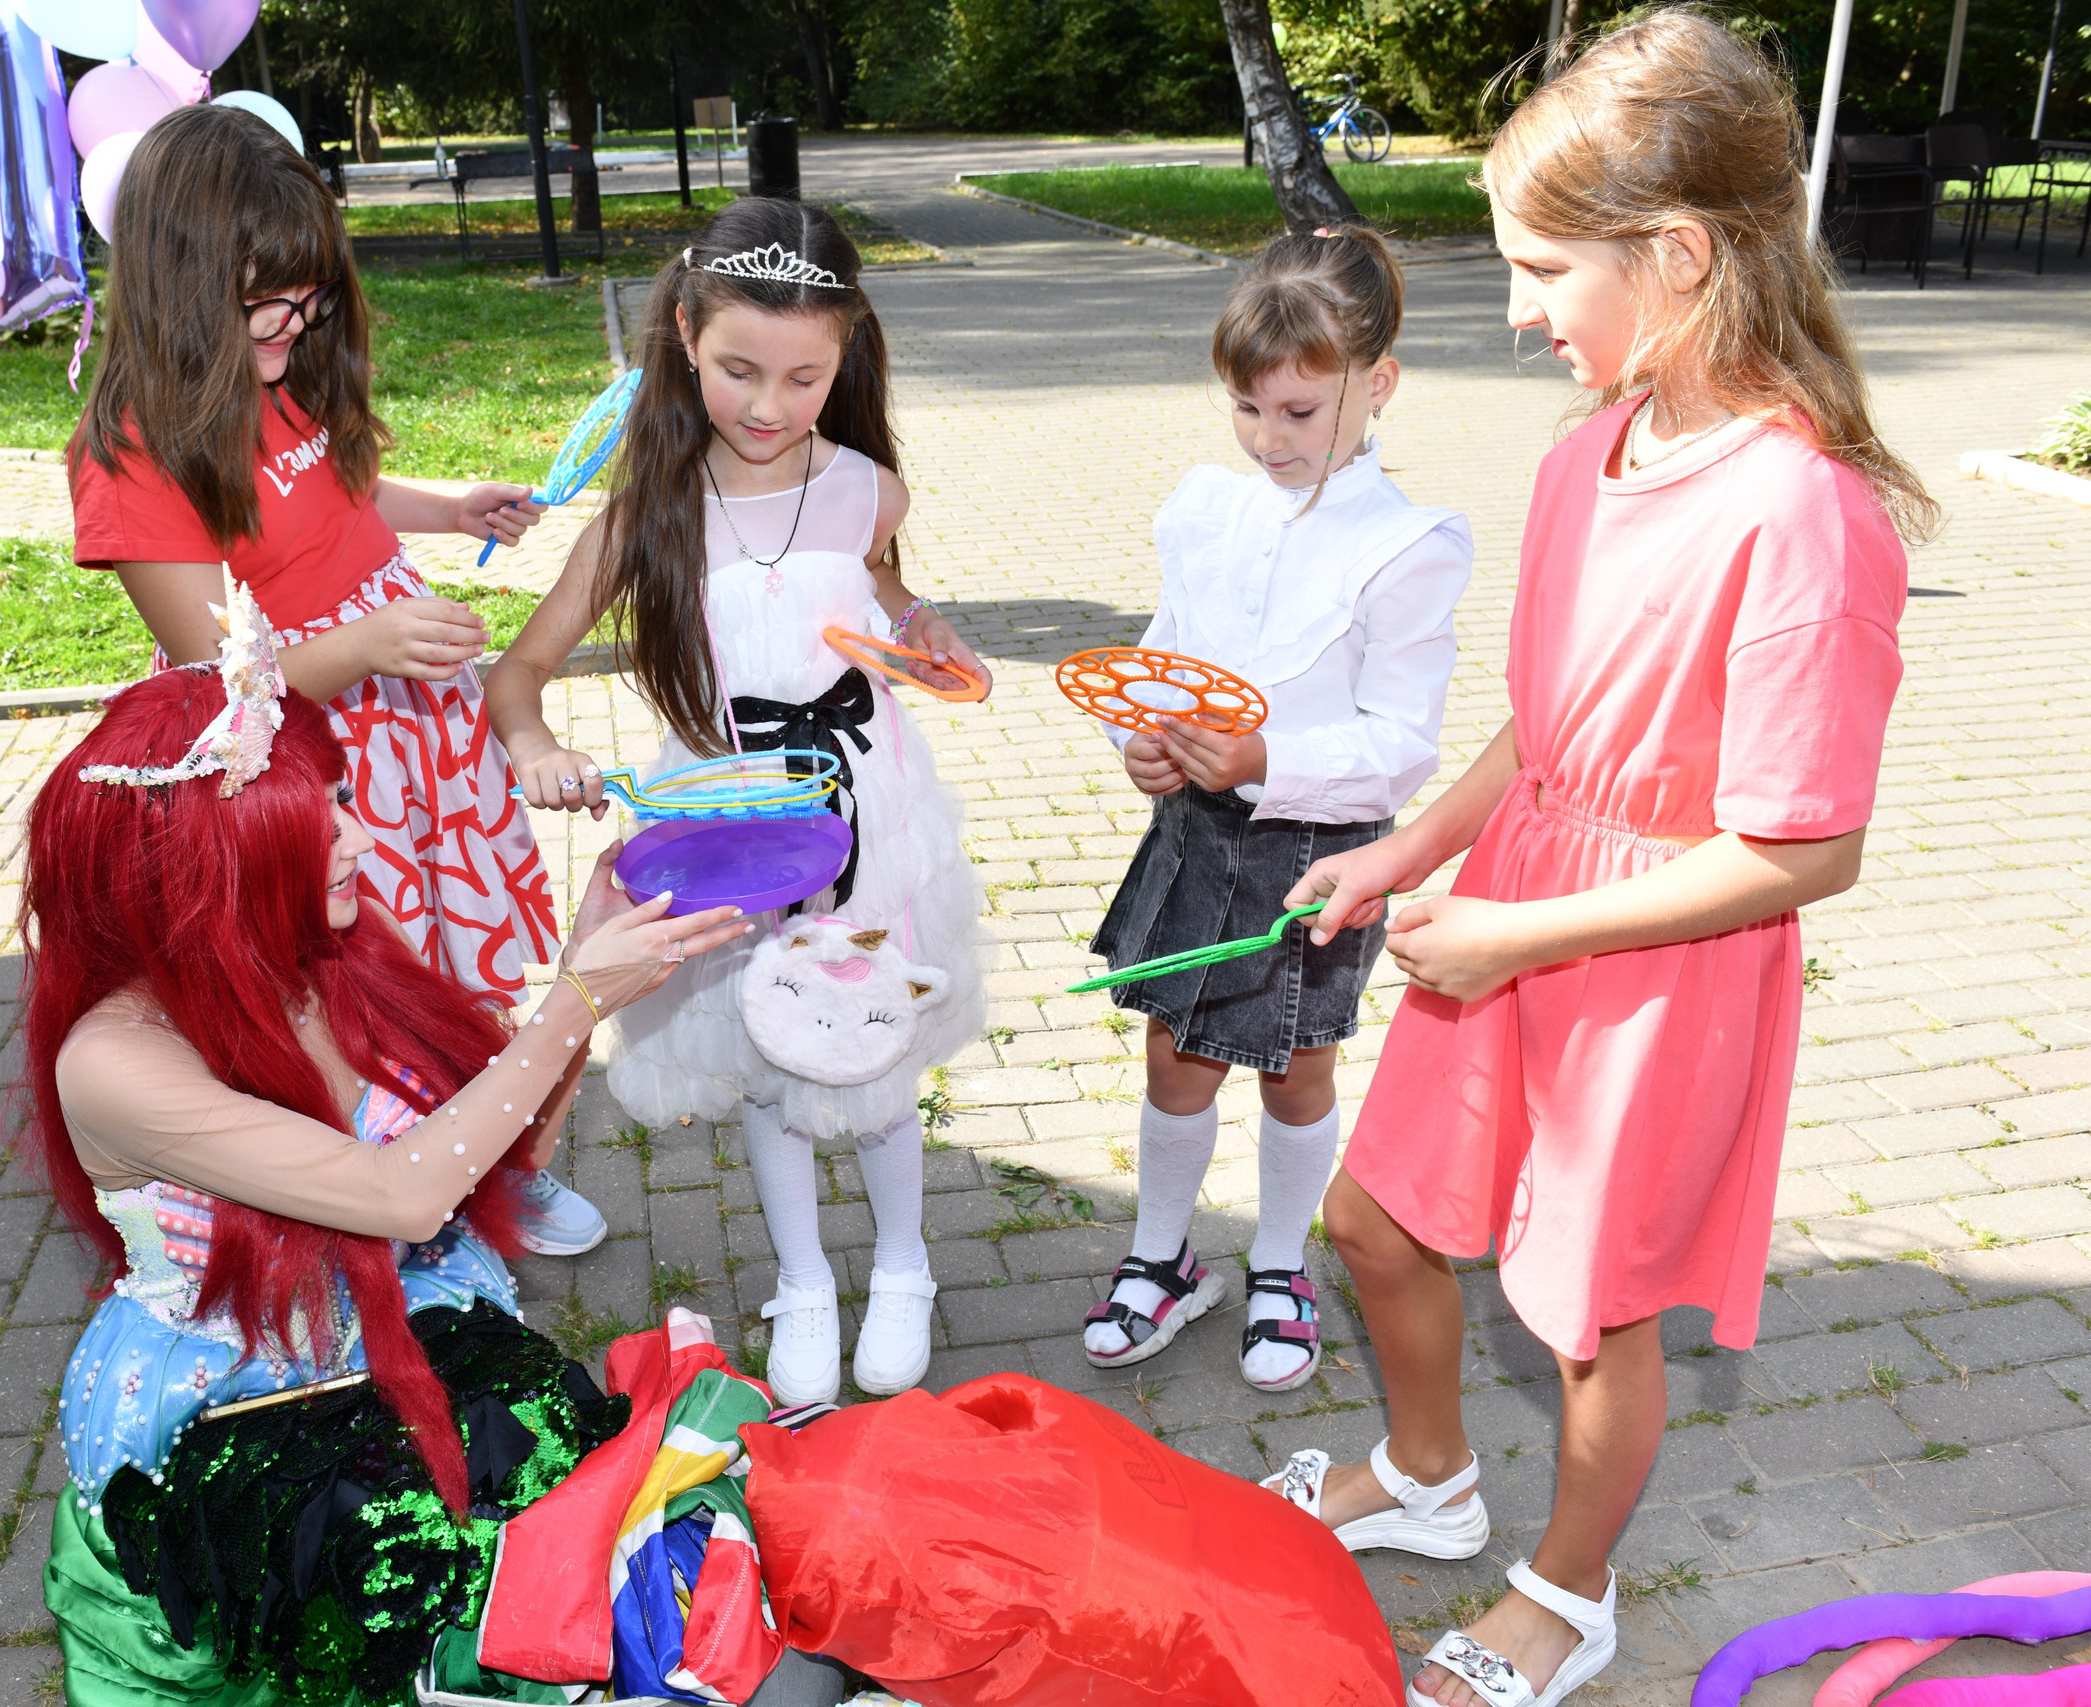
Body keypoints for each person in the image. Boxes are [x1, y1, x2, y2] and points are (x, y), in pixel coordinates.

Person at [1261, 13, 1934, 1705]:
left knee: (1589, 1307)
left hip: (1653, 968)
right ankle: (1427, 1477)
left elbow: (1806, 843)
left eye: (1545, 267)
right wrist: (1397, 851)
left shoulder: (1804, 514)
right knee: (1374, 1217)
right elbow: (1542, 731)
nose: (1518, 310)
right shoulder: (1584, 457)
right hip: (1515, 920)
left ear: (1681, 253)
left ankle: (1570, 1588)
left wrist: (1521, 931)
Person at [19, 598, 753, 1704]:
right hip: (238, 1425)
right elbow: (398, 1196)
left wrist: (579, 956)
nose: (360, 838)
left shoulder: (328, 951)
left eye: (342, 799)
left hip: (415, 1357)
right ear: (209, 872)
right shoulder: (112, 1061)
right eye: (317, 822)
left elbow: (486, 1171)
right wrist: (570, 1004)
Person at [66, 104, 610, 1257]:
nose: (295, 324)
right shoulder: (128, 456)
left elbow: (336, 488)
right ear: (178, 281)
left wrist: (446, 507)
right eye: (266, 301)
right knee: (373, 977)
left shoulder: (276, 368)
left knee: (457, 954)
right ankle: (396, 1188)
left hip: (412, 722)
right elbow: (223, 695)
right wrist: (363, 648)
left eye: (308, 299)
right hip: (317, 764)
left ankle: (498, 1163)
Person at [485, 199, 988, 1408]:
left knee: (867, 1042)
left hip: (865, 809)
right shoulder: (646, 517)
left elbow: (887, 608)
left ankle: (906, 1263)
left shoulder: (871, 490)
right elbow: (516, 677)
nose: (769, 406)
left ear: (847, 354)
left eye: (804, 378)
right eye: (738, 372)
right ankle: (803, 1279)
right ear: (683, 337)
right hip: (728, 830)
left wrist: (924, 635)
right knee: (767, 1056)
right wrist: (537, 745)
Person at [1082, 228, 1472, 1391]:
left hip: (1316, 850)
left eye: (1298, 413)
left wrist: (1260, 757)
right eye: (1247, 411)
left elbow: (1399, 747)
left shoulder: (1406, 544)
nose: (1268, 439)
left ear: (1377, 384)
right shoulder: (1210, 508)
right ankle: (1163, 1256)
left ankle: (1279, 1263)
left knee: (1295, 1070)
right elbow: (1159, 654)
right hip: (1194, 833)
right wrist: (1137, 741)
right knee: (1173, 1054)